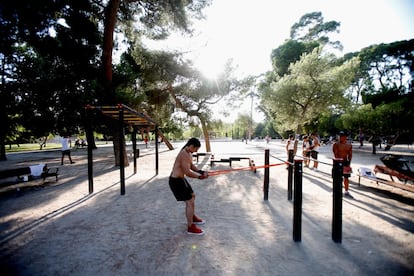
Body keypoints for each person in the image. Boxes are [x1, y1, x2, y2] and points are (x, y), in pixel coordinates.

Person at [169, 138, 208, 235]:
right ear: (191, 146)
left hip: (181, 180)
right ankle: (190, 227)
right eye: (196, 149)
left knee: (192, 196)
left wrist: (200, 172)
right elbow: (187, 172)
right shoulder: (184, 154)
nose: (196, 151)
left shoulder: (188, 153)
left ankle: (192, 217)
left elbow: (191, 166)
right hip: (176, 181)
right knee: (190, 201)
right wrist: (199, 177)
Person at [333, 131, 353, 198]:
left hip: (345, 162)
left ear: (345, 137)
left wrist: (348, 164)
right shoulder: (336, 144)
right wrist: (339, 162)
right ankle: (336, 191)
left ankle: (346, 191)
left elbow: (350, 155)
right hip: (337, 162)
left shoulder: (349, 145)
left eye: (341, 136)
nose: (340, 137)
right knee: (337, 178)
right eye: (339, 136)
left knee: (346, 177)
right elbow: (335, 155)